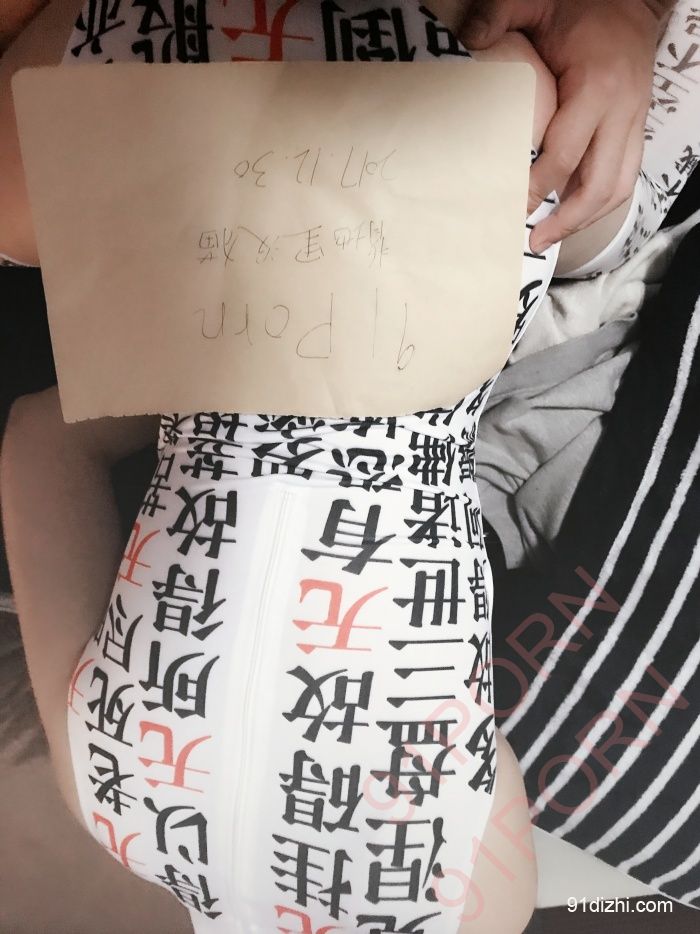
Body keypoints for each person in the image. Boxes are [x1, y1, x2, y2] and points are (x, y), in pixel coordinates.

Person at [1, 1, 697, 932]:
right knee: (14, 193)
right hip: (194, 153)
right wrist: (233, 368)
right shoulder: (106, 805)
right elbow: (42, 435)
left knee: (594, 181)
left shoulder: (471, 902)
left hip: (471, 134)